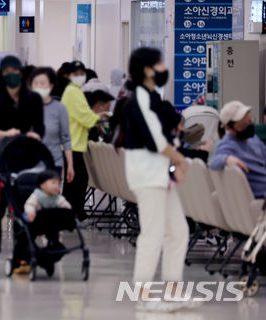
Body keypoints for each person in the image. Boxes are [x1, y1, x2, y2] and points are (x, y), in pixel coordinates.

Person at [120, 47, 191, 312]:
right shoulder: (138, 98)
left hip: (160, 174)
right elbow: (156, 140)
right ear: (148, 69)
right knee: (152, 233)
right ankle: (144, 293)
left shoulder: (152, 97)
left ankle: (172, 290)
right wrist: (180, 160)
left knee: (178, 231)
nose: (164, 68)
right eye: (159, 63)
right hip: (146, 174)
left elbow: (170, 125)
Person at [0, 55, 44, 274]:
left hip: (25, 158)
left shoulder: (33, 99)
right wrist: (5, 133)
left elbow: (40, 127)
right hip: (0, 157)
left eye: (14, 72)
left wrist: (34, 135)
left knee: (23, 207)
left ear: (21, 73)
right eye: (6, 73)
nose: (11, 77)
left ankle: (22, 256)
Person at [61, 61, 109, 221]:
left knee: (75, 180)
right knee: (78, 179)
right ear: (68, 75)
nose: (79, 77)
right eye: (76, 74)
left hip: (73, 142)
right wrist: (99, 117)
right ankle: (74, 213)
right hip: (72, 143)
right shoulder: (73, 92)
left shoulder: (74, 91)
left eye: (82, 73)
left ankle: (71, 213)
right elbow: (84, 116)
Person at [209, 101, 266, 199]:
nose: (249, 126)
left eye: (250, 121)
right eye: (243, 125)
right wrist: (227, 159)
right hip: (261, 196)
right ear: (228, 127)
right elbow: (213, 162)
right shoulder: (228, 145)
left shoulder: (253, 139)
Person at [29, 67, 74, 184]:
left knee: (50, 200)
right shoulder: (26, 108)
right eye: (36, 83)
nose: (39, 86)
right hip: (31, 164)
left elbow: (66, 138)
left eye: (42, 83)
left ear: (51, 86)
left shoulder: (59, 108)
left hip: (54, 162)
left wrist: (70, 165)